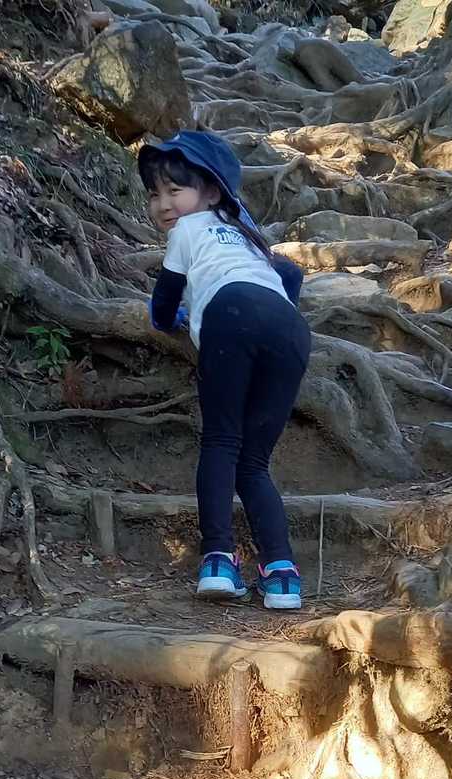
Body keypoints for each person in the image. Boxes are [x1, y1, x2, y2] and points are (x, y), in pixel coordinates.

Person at [139, 130, 310, 611]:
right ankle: (281, 575)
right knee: (254, 463)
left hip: (230, 316)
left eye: (175, 190)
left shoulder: (187, 231)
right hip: (291, 331)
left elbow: (163, 302)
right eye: (154, 194)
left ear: (211, 192)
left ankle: (217, 560)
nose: (163, 204)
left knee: (221, 442)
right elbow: (291, 274)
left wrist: (170, 319)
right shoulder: (248, 237)